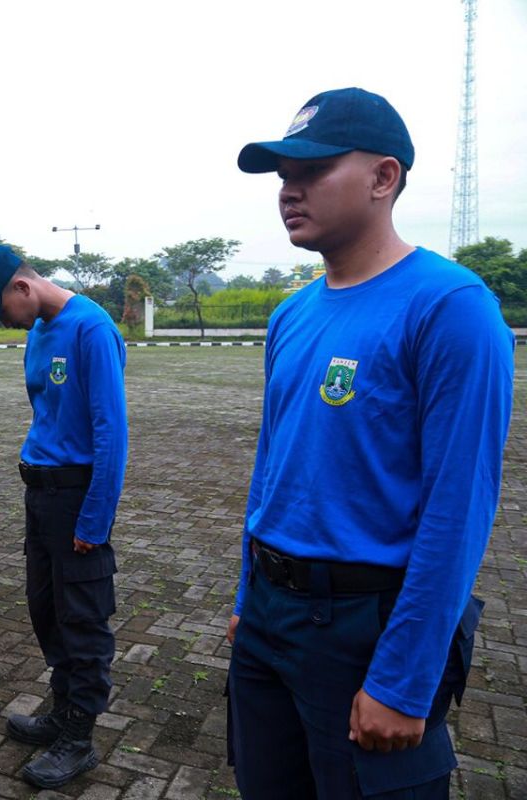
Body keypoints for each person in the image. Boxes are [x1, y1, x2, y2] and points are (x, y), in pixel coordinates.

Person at [228, 88, 515, 798]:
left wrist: (405, 679)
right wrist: (246, 594)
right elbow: (274, 470)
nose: (288, 191)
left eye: (311, 171)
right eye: (282, 177)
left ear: (384, 178)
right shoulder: (292, 313)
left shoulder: (450, 308)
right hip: (268, 614)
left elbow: (458, 509)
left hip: (363, 628)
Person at [0, 245, 128, 789]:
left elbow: (111, 430)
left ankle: (79, 737)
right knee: (46, 610)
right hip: (39, 493)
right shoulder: (39, 331)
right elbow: (46, 413)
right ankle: (61, 712)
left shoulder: (91, 328)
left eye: (4, 312)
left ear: (22, 288)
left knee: (83, 618)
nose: (7, 325)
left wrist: (95, 520)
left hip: (76, 494)